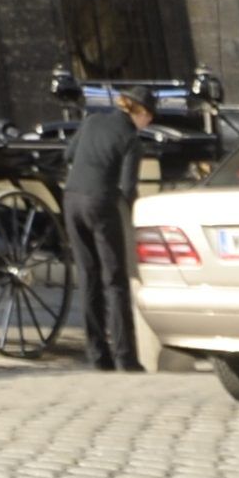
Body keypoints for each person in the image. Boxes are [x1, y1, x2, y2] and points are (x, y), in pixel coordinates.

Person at [63, 71, 144, 372]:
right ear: (142, 114)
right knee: (115, 281)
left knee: (88, 277)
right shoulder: (131, 139)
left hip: (72, 199)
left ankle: (98, 355)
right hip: (100, 203)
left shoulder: (92, 121)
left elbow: (68, 153)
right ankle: (125, 356)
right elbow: (127, 187)